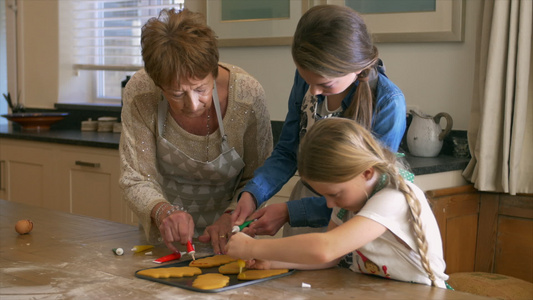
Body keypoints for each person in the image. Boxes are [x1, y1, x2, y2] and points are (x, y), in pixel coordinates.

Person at [232, 5, 406, 236]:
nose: (312, 91)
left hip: (353, 222)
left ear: (355, 67)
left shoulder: (387, 103)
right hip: (301, 205)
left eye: (325, 85)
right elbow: (287, 151)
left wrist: (291, 212)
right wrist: (252, 194)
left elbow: (371, 191)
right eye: (306, 79)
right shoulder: (311, 77)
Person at [226, 118, 449, 288]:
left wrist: (252, 247)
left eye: (335, 195)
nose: (331, 205)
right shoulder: (350, 201)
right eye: (325, 196)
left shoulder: (393, 199)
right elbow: (329, 260)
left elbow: (326, 248)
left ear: (366, 173)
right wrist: (273, 261)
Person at [119, 8, 273, 255]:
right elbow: (135, 177)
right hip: (166, 239)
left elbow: (261, 174)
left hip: (235, 238)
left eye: (201, 89)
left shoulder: (247, 95)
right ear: (158, 85)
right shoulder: (141, 93)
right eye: (176, 94)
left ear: (213, 71)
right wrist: (163, 212)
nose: (192, 104)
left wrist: (232, 216)